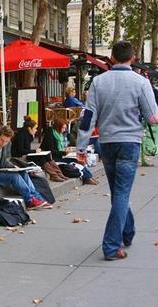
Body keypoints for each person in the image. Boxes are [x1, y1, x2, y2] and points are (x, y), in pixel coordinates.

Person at [76, 41, 158, 261]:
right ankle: (111, 246)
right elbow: (153, 117)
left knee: (118, 193)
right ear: (133, 58)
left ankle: (128, 232)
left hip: (107, 143)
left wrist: (81, 147)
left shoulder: (98, 82)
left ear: (111, 58)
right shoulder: (141, 82)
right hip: (130, 142)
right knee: (121, 193)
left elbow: (87, 117)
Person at [0, 125, 49, 210]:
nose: (3, 143)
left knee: (22, 172)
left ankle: (39, 198)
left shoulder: (8, 144)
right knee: (14, 177)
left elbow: (4, 161)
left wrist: (14, 167)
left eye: (6, 141)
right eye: (2, 140)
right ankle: (29, 201)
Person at [41, 117, 98, 185]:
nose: (64, 130)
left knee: (78, 161)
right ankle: (87, 178)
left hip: (60, 156)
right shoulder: (50, 134)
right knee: (74, 164)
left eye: (65, 128)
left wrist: (66, 150)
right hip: (53, 159)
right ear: (58, 127)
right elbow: (50, 150)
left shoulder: (59, 135)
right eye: (63, 128)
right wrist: (64, 152)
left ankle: (89, 177)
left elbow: (60, 148)